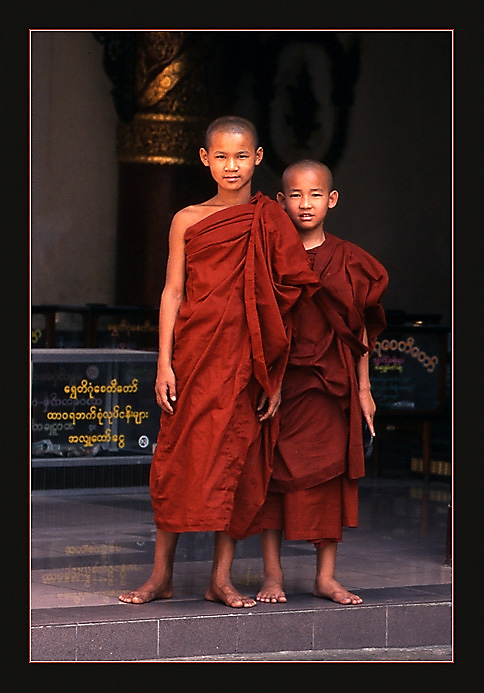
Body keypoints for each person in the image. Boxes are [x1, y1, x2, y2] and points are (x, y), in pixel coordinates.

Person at [119, 118, 320, 608]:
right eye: (222, 157)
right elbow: (172, 291)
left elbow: (285, 299)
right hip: (194, 358)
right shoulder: (187, 219)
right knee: (177, 464)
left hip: (246, 363)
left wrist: (272, 375)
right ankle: (159, 575)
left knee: (236, 465)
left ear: (257, 158)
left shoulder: (270, 219)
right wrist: (163, 363)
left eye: (242, 156)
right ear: (206, 160)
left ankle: (220, 579)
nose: (232, 166)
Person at [256, 159, 388, 606]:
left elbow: (361, 332)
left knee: (332, 478)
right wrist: (266, 381)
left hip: (334, 385)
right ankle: (271, 575)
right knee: (271, 477)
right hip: (282, 385)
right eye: (295, 195)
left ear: (331, 200)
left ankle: (325, 577)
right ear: (280, 201)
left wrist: (365, 391)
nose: (305, 204)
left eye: (315, 195)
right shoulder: (271, 258)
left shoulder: (350, 260)